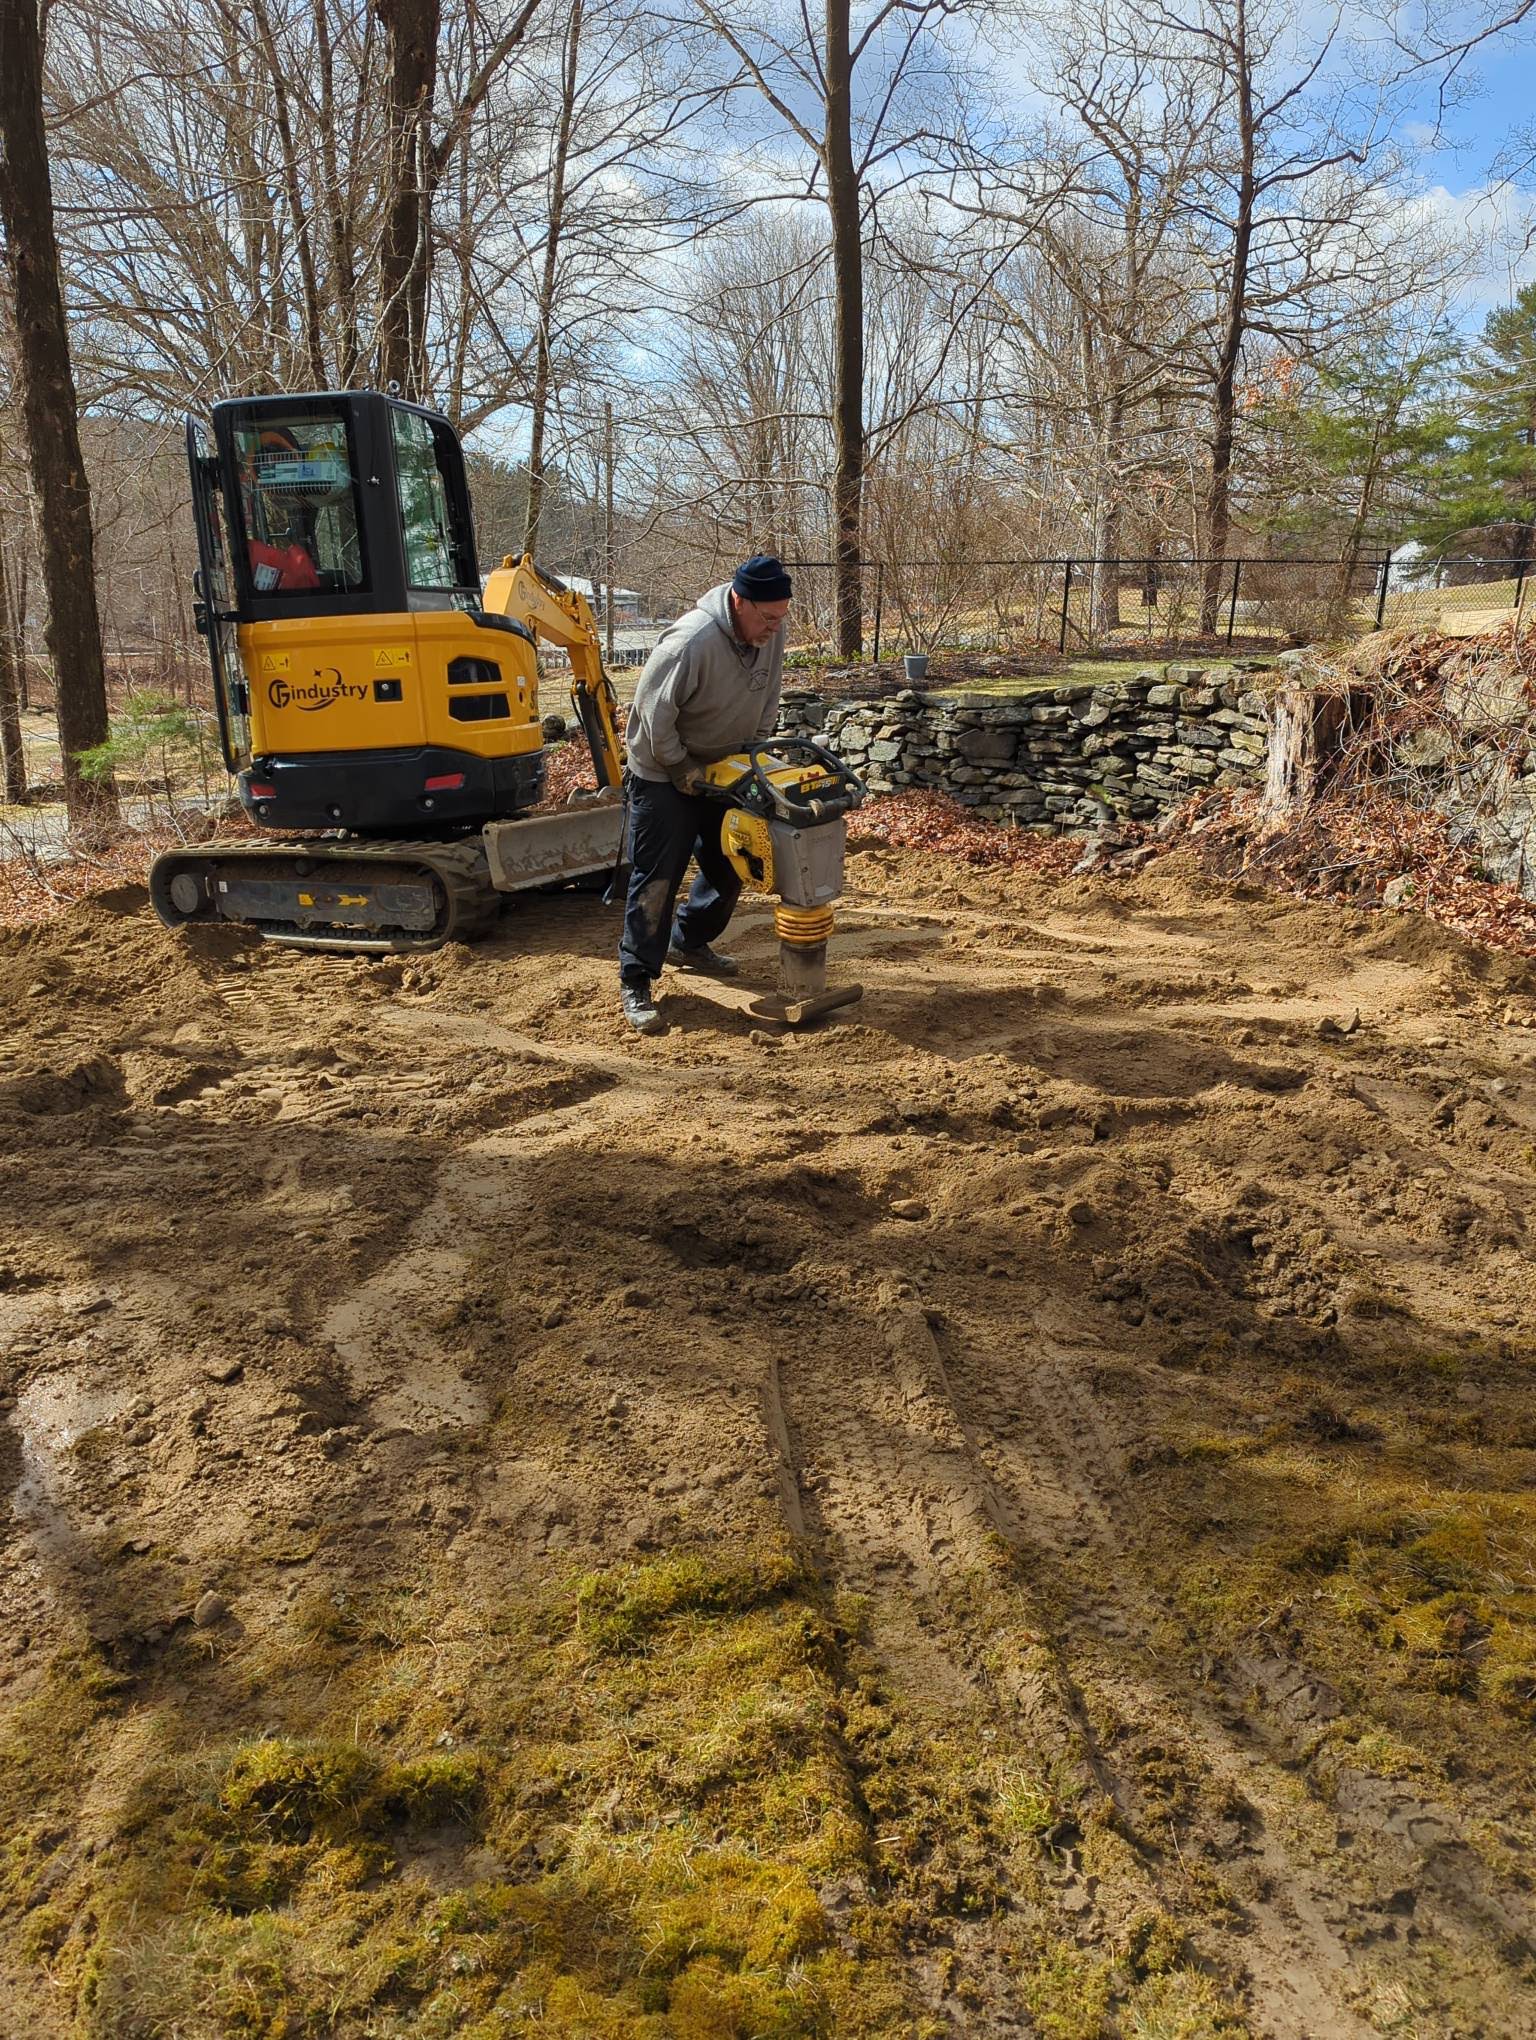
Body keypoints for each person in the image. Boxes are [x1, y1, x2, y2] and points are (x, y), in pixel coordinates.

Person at [617, 554, 791, 1035]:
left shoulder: (769, 633)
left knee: (733, 861)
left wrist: (752, 751)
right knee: (658, 877)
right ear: (739, 601)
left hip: (724, 764)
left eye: (781, 617)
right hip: (661, 768)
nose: (775, 627)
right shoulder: (691, 641)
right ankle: (636, 979)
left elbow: (769, 694)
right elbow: (653, 716)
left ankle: (689, 941)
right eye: (768, 617)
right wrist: (680, 767)